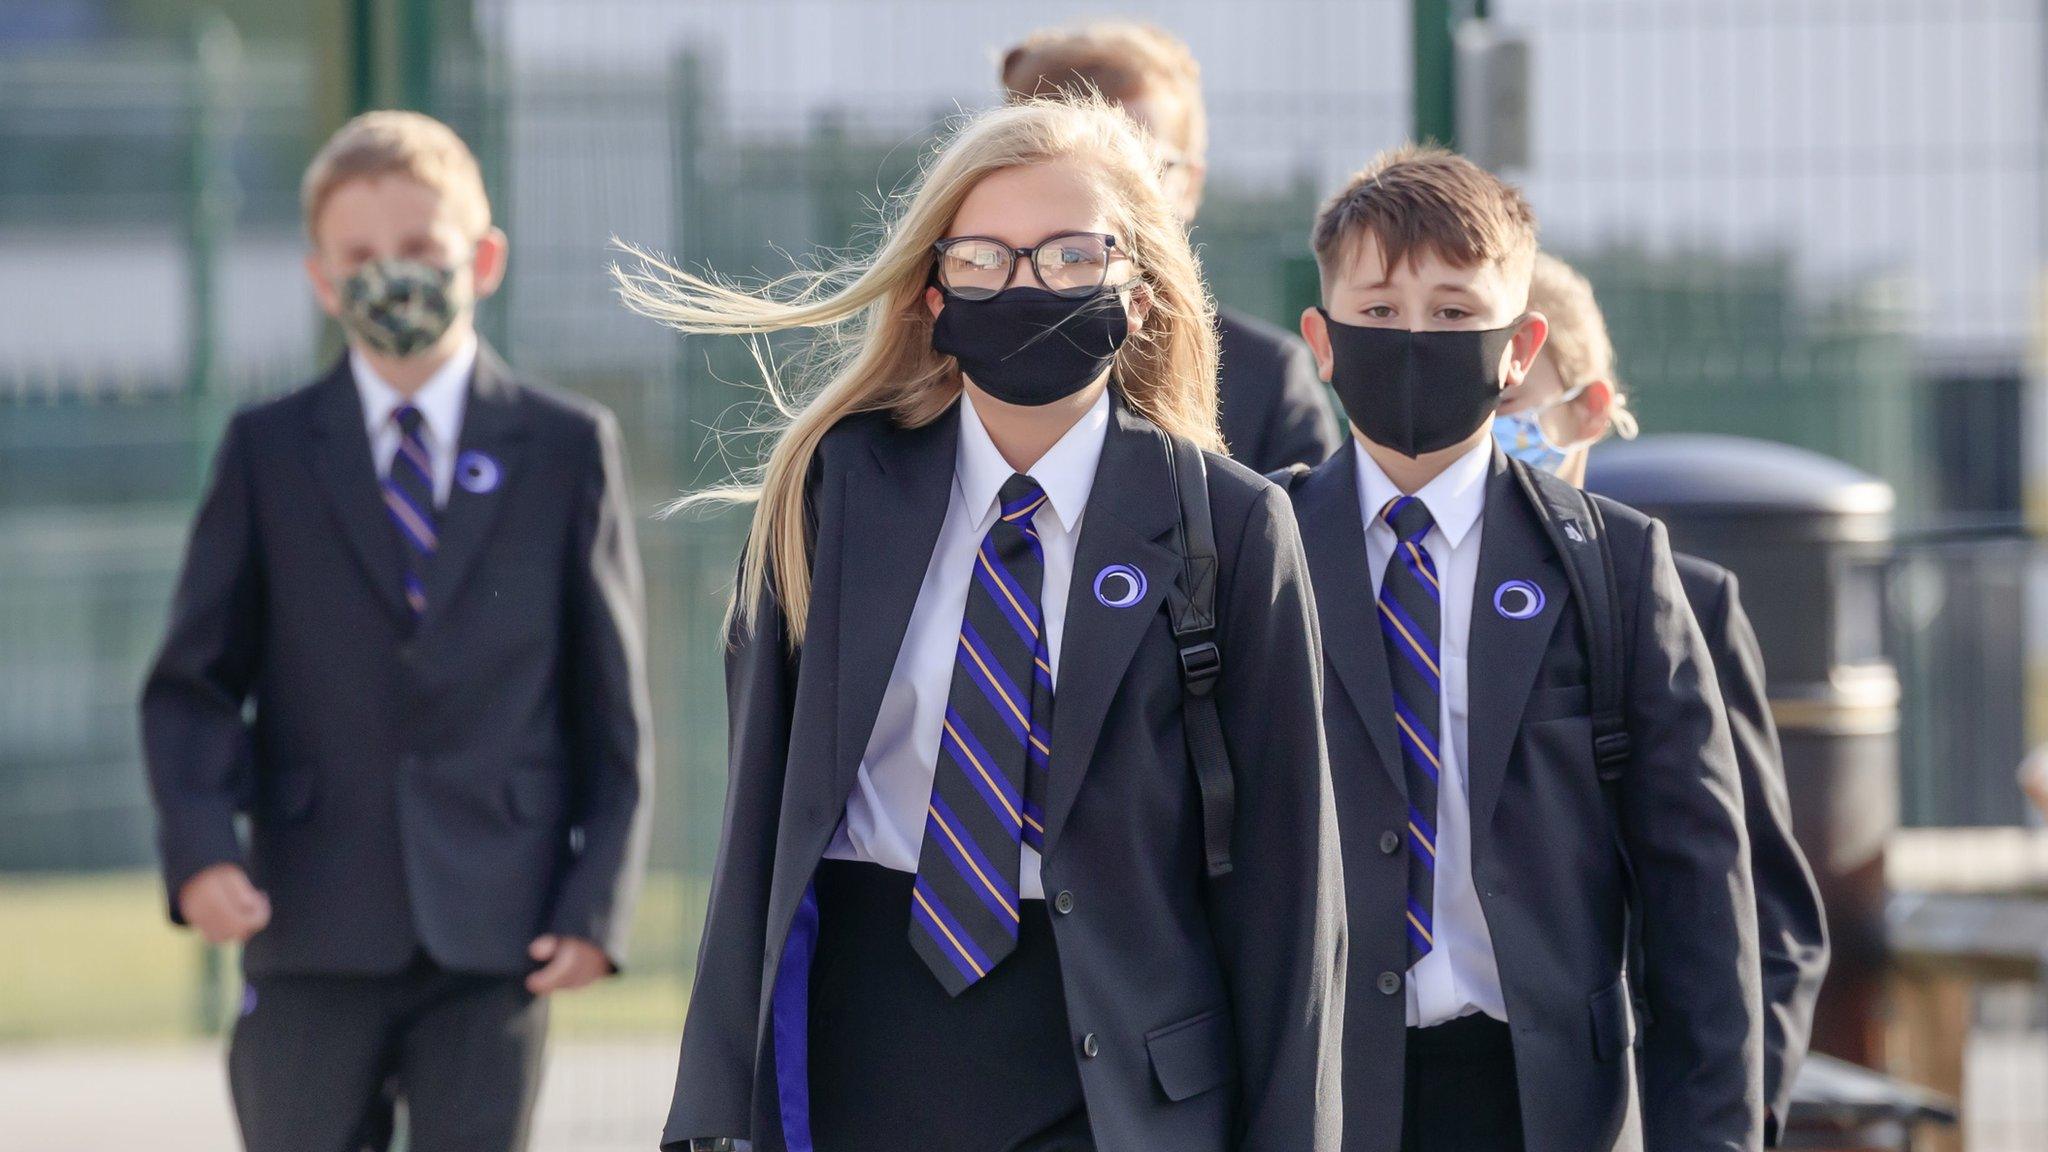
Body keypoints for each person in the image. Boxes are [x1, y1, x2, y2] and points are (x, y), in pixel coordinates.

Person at [618, 95, 1343, 1152]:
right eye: (983, 260)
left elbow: (1289, 898)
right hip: (864, 1042)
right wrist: (709, 1106)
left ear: (1136, 291)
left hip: (1117, 1071)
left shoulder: (1227, 524)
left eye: (1067, 256)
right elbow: (758, 832)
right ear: (930, 291)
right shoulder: (834, 491)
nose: (1026, 285)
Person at [140, 110, 654, 1152]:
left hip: (494, 928)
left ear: (485, 257)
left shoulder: (565, 448)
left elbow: (611, 702)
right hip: (308, 924)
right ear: (322, 279)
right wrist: (199, 851)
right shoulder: (269, 450)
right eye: (362, 257)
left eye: (422, 250)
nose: (394, 276)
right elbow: (192, 682)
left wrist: (596, 900)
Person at [1275, 145, 1763, 1152]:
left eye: (1454, 313)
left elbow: (1698, 904)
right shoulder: (1251, 551)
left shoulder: (1614, 565)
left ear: (1517, 343)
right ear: (1320, 341)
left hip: (1540, 1104)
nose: (1413, 337)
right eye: (1376, 311)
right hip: (1315, 1091)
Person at [1498, 251, 1830, 1145]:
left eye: (1509, 409)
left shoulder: (1686, 603)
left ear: (1590, 410)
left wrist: (1727, 1119)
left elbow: (1768, 918)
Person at [1001, 21, 1343, 473]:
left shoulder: (1266, 375)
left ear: (1191, 184)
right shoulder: (960, 353)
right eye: (1067, 170)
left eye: (1145, 167)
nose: (1110, 198)